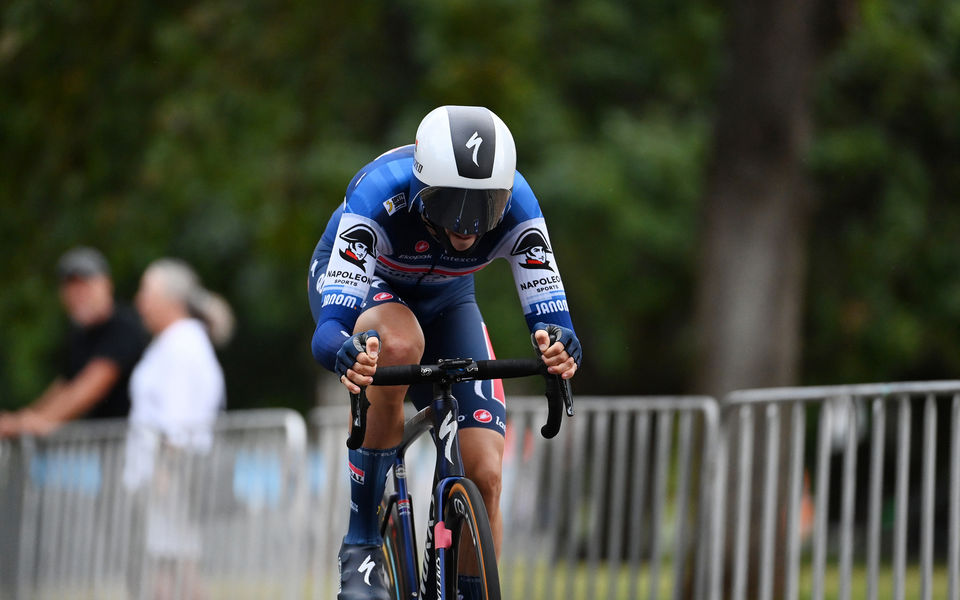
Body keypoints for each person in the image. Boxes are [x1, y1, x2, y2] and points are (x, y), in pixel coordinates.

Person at [308, 106, 582, 599]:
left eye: (485, 208)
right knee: (397, 343)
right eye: (452, 204)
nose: (468, 226)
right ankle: (362, 544)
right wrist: (347, 354)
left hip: (450, 303)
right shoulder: (378, 195)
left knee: (486, 473)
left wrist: (561, 348)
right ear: (420, 188)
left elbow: (554, 321)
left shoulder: (521, 203)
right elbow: (329, 331)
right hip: (370, 291)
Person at [123, 258, 233, 600]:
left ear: (169, 300)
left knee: (175, 570)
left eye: (146, 293)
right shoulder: (175, 342)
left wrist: (165, 473)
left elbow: (178, 420)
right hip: (167, 477)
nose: (139, 302)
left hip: (172, 476)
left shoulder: (182, 345)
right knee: (170, 569)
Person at [0, 247, 148, 437]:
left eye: (85, 285)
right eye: (71, 288)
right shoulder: (79, 334)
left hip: (132, 446)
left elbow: (89, 388)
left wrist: (31, 423)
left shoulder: (124, 327)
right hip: (105, 450)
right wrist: (25, 417)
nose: (78, 294)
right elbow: (65, 386)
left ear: (106, 284)